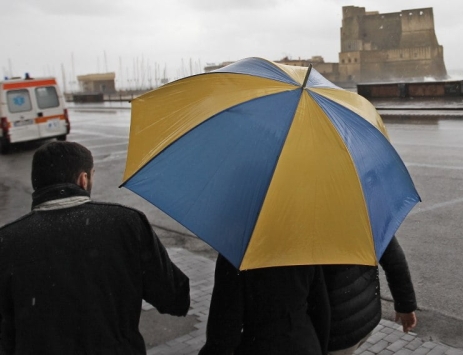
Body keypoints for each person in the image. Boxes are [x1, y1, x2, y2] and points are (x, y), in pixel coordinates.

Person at [0, 141, 190, 354]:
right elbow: (174, 297)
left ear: (37, 182)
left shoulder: (7, 241)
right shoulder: (126, 223)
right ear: (83, 179)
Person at [199, 255, 330, 355]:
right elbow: (321, 310)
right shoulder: (301, 246)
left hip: (260, 346)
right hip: (305, 343)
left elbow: (224, 335)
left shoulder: (236, 255)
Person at [324, 236, 418, 354]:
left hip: (332, 332)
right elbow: (393, 257)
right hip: (364, 317)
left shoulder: (304, 226)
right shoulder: (364, 217)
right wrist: (405, 306)